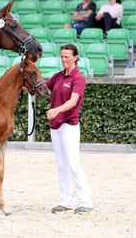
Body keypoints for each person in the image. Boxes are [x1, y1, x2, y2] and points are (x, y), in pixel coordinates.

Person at [45, 44, 93, 215]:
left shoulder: (78, 78)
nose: (64, 59)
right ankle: (65, 202)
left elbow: (73, 102)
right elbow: (42, 88)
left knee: (73, 164)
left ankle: (86, 202)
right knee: (61, 165)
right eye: (62, 56)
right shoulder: (58, 76)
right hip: (55, 126)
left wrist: (57, 109)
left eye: (67, 56)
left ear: (75, 57)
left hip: (69, 125)